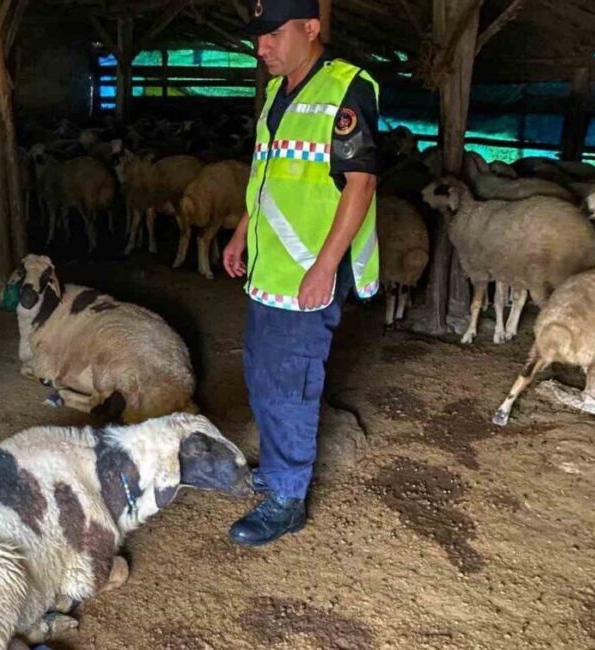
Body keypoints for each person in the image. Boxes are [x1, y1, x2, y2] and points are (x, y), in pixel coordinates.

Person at [223, 0, 380, 546]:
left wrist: (326, 265)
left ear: (311, 28)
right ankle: (275, 468)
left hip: (310, 270)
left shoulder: (347, 90)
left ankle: (287, 498)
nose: (261, 46)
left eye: (273, 34)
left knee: (291, 379)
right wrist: (244, 230)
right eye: (258, 37)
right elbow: (267, 174)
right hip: (271, 267)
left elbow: (360, 184)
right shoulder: (274, 92)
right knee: (262, 371)